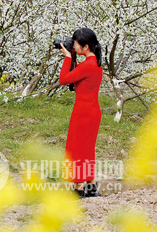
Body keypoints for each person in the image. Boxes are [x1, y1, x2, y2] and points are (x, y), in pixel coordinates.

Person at [59, 27, 103, 198]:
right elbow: (78, 71)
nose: (73, 46)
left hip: (83, 111)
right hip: (92, 111)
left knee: (77, 149)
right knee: (87, 148)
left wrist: (68, 57)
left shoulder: (88, 65)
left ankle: (79, 187)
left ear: (86, 47)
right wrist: (72, 57)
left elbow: (64, 79)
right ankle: (91, 186)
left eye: (75, 44)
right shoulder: (95, 63)